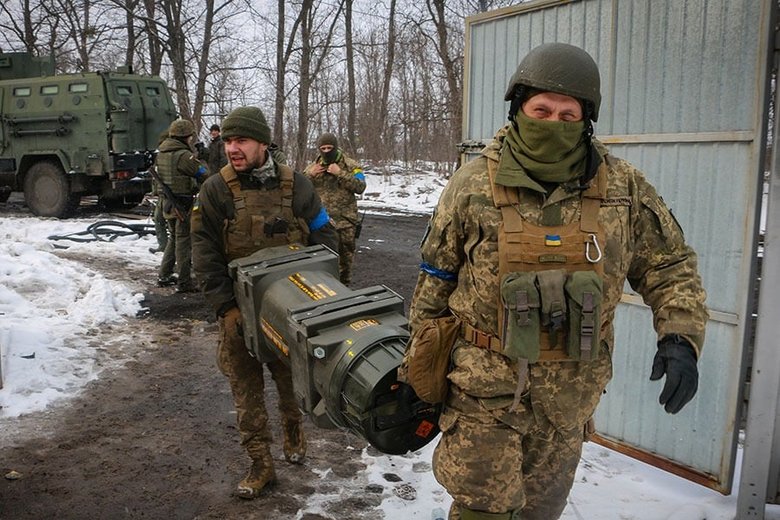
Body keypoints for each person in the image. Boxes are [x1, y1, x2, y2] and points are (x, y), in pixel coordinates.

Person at [405, 43, 708, 520]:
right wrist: (417, 370)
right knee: (483, 512)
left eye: (569, 115)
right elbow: (436, 278)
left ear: (586, 120)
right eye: (541, 110)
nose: (553, 123)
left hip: (569, 400)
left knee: (541, 513)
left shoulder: (624, 188)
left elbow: (669, 265)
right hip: (484, 392)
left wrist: (681, 337)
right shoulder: (471, 185)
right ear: (518, 107)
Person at [191, 106, 338, 499]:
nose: (232, 149)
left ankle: (294, 428)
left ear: (263, 143)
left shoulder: (298, 186)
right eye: (227, 142)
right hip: (239, 313)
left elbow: (326, 237)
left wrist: (325, 296)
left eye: (241, 141)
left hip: (290, 311)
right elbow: (203, 252)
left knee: (292, 383)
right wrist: (226, 308)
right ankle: (260, 465)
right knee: (246, 393)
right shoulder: (215, 190)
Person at [304, 133, 365, 285]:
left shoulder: (351, 165)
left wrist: (340, 173)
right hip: (322, 224)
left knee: (345, 261)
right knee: (322, 260)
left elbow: (360, 187)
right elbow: (300, 189)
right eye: (322, 148)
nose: (326, 151)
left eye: (329, 148)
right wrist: (309, 175)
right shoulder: (313, 167)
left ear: (336, 147)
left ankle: (344, 290)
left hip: (345, 222)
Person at [156, 119, 207, 292]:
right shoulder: (183, 155)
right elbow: (203, 174)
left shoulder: (162, 152)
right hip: (181, 205)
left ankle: (164, 274)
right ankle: (184, 282)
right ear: (186, 136)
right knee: (184, 241)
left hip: (167, 203)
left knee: (173, 238)